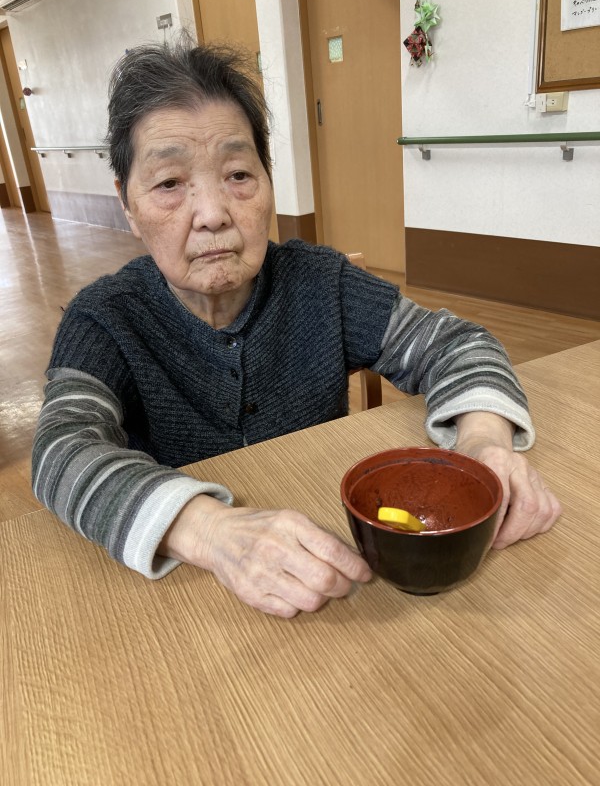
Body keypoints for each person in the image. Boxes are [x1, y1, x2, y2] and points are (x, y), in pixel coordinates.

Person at [32, 38, 561, 618]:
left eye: (238, 174)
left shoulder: (322, 283)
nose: (212, 214)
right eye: (168, 184)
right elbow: (61, 450)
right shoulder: (105, 318)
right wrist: (211, 531)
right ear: (127, 205)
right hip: (189, 593)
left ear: (268, 181)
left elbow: (456, 344)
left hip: (333, 569)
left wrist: (483, 442)